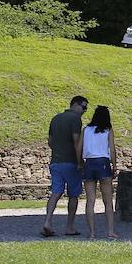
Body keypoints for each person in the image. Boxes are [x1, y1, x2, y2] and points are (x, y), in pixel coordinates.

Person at [42, 95, 87, 238]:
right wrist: (80, 161)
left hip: (55, 161)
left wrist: (58, 150)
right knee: (73, 195)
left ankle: (48, 221)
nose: (84, 110)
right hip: (71, 162)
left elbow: (50, 141)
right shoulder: (75, 119)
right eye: (83, 107)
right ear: (75, 104)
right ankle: (70, 226)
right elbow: (76, 141)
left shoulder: (55, 118)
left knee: (55, 192)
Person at [80, 105, 120, 240]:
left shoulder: (86, 130)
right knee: (107, 200)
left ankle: (91, 233)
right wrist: (114, 166)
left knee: (90, 200)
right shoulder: (108, 130)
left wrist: (80, 162)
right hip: (103, 162)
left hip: (89, 163)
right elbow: (112, 150)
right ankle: (110, 231)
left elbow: (79, 148)